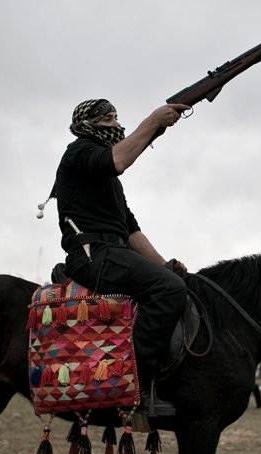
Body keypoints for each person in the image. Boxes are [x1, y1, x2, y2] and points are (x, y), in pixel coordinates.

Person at [54, 98, 190, 389]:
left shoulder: (107, 178)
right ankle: (133, 380)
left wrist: (166, 266)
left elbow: (130, 231)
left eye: (117, 117)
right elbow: (118, 160)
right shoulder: (79, 152)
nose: (117, 124)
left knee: (175, 281)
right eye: (109, 119)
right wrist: (154, 121)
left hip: (111, 252)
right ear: (88, 125)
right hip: (93, 255)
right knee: (169, 289)